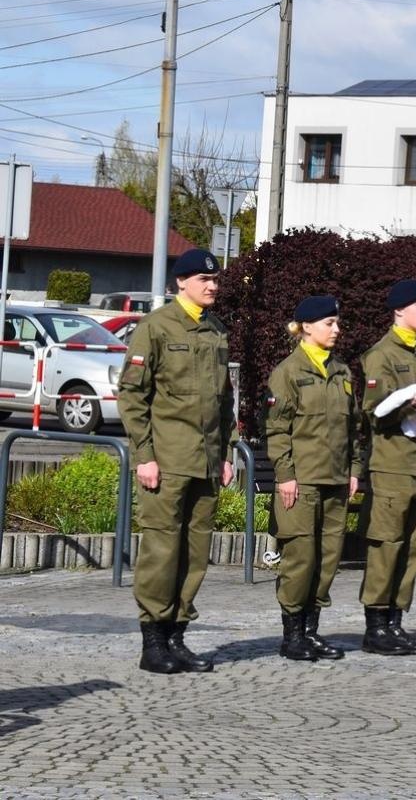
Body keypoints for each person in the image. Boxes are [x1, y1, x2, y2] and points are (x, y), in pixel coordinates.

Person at [119, 247, 234, 674]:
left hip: (205, 461)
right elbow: (133, 396)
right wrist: (144, 456)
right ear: (181, 283)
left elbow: (224, 399)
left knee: (195, 552)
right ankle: (153, 641)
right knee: (162, 550)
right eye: (204, 280)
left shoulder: (216, 330)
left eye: (216, 280)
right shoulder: (156, 328)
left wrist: (224, 452)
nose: (212, 285)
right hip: (166, 460)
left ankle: (177, 636)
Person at [265, 294, 360, 662]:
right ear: (306, 327)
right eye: (329, 323)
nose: (336, 330)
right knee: (300, 559)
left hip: (335, 480)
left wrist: (354, 470)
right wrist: (285, 475)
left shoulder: (342, 372)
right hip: (301, 482)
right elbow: (277, 429)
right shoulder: (288, 372)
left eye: (337, 323)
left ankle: (311, 630)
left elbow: (353, 429)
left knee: (327, 558)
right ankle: (292, 635)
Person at [358, 279, 416, 656]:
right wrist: (412, 406)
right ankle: (376, 624)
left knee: (413, 547)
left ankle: (396, 621)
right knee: (387, 546)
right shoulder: (382, 356)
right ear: (399, 311)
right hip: (393, 465)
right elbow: (374, 414)